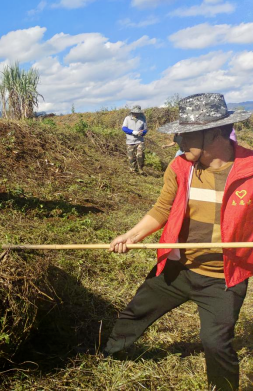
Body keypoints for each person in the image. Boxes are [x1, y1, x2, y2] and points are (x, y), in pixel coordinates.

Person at [105, 93, 253, 391]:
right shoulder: (180, 168)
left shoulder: (250, 170)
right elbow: (162, 209)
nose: (177, 140)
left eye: (184, 134)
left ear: (213, 133)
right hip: (178, 268)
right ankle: (107, 354)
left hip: (222, 279)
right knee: (136, 311)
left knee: (216, 342)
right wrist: (131, 236)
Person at [122, 105, 148, 175]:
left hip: (139, 141)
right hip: (130, 141)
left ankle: (140, 169)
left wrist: (142, 133)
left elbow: (145, 130)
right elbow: (124, 128)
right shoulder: (127, 118)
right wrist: (132, 132)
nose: (136, 114)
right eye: (135, 112)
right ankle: (133, 170)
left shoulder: (142, 119)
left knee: (140, 155)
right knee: (131, 158)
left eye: (137, 113)